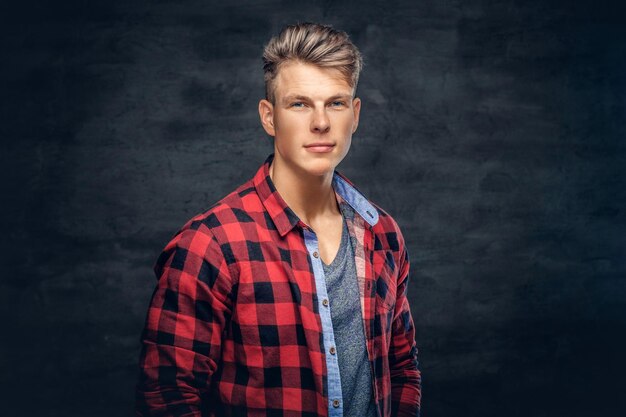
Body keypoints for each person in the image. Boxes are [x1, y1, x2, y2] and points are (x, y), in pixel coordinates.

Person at [136, 22, 421, 417]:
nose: (320, 122)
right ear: (269, 117)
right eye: (299, 104)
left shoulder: (383, 234)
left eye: (335, 103)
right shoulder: (211, 246)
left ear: (354, 115)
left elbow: (402, 367)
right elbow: (168, 397)